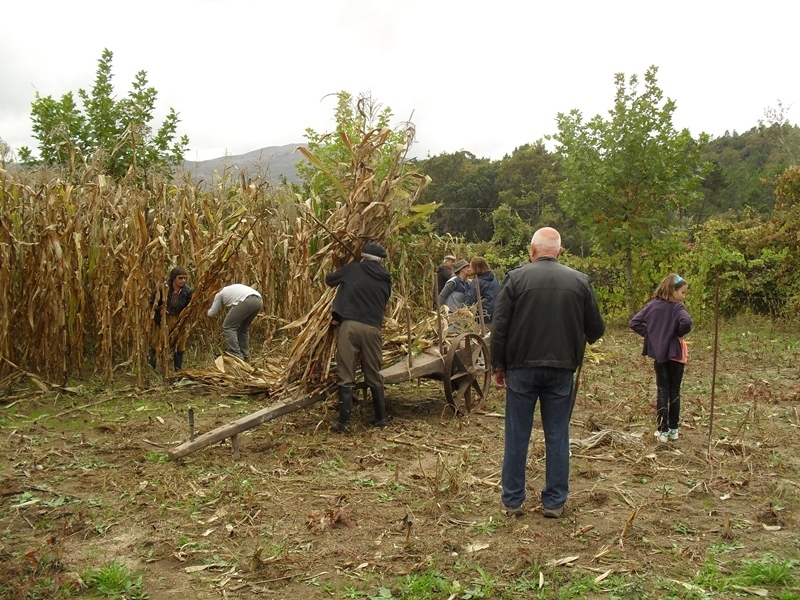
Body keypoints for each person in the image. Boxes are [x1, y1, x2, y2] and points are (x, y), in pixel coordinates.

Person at [491, 227, 605, 518]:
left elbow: (499, 328)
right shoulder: (579, 281)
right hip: (561, 370)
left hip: (521, 369)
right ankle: (554, 502)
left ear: (532, 251)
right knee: (557, 435)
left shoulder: (515, 279)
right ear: (560, 252)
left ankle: (513, 500)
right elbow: (596, 329)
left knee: (517, 435)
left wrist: (498, 366)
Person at [326, 242, 393, 432]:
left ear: (363, 256)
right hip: (373, 329)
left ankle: (343, 423)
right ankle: (380, 419)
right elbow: (384, 299)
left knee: (346, 373)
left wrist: (345, 265)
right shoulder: (386, 278)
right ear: (381, 261)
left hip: (350, 327)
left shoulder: (353, 269)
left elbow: (329, 280)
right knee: (373, 373)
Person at [629, 274, 692, 443]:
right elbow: (686, 322)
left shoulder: (652, 305)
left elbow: (634, 323)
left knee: (662, 390)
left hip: (659, 353)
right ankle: (673, 429)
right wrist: (678, 334)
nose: (684, 296)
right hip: (676, 354)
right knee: (675, 390)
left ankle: (662, 430)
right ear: (672, 290)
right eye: (683, 292)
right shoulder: (678, 308)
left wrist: (652, 337)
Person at [149, 266, 193, 371]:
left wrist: (184, 318)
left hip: (179, 318)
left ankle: (178, 370)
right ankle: (151, 369)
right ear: (173, 278)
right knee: (156, 343)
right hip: (165, 319)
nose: (183, 280)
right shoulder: (163, 288)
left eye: (184, 278)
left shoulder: (188, 291)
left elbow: (189, 306)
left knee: (180, 344)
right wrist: (160, 310)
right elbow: (152, 302)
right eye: (180, 278)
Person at [207, 284, 263, 362]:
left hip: (246, 301)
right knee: (243, 328)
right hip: (259, 301)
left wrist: (205, 311)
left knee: (228, 327)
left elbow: (212, 313)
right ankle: (245, 356)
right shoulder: (230, 288)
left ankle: (235, 355)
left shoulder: (219, 294)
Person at [465, 256, 500, 328]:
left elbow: (470, 300)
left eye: (471, 267)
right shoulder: (493, 277)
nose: (469, 269)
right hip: (496, 314)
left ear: (477, 268)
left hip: (484, 316)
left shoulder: (477, 282)